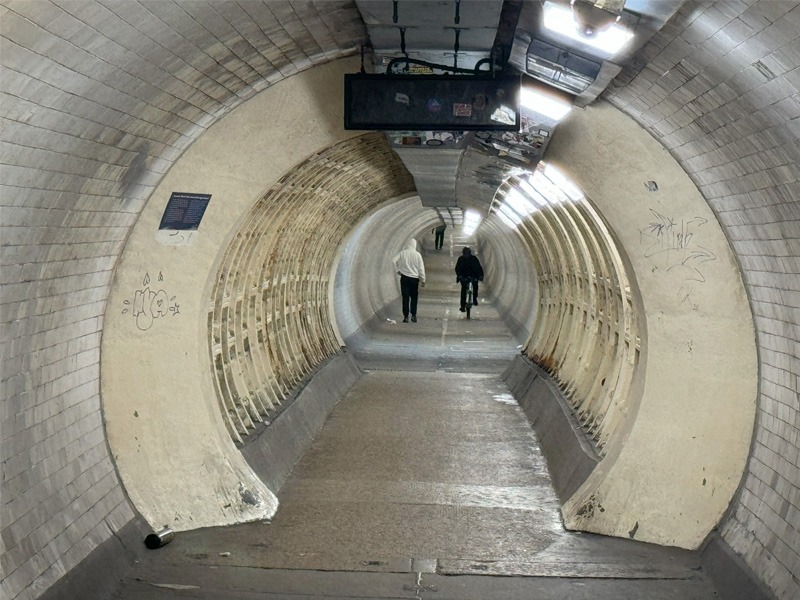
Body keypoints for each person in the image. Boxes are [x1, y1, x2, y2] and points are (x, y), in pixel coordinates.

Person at [392, 238, 426, 323]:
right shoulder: (417, 255)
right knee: (414, 297)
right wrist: (423, 280)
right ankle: (413, 315)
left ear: (408, 245)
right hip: (414, 279)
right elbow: (421, 268)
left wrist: (398, 271)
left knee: (405, 297)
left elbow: (393, 261)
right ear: (415, 245)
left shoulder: (403, 253)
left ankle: (406, 316)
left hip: (404, 278)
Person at [454, 246, 483, 312]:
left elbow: (479, 268)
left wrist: (480, 276)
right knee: (464, 289)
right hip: (464, 277)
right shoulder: (460, 259)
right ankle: (462, 306)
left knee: (475, 285)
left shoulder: (474, 259)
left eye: (467, 254)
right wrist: (460, 276)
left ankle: (474, 298)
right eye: (465, 254)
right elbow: (457, 269)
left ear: (470, 254)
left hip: (473, 276)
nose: (466, 255)